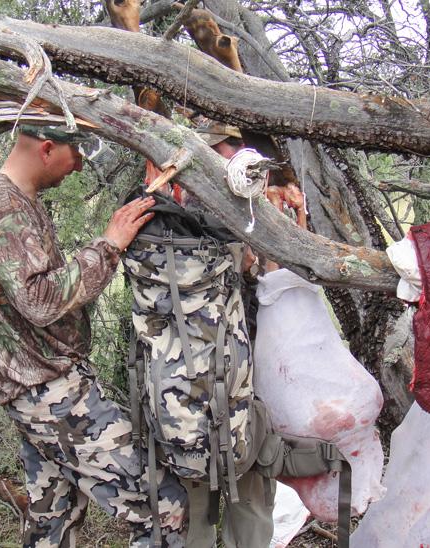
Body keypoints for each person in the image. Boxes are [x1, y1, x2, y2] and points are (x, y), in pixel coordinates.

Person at [0, 124, 188, 547]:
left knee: (55, 518)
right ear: (47, 149)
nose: (81, 165)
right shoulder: (2, 204)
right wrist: (110, 244)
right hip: (49, 392)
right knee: (164, 504)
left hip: (36, 389)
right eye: (77, 153)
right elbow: (40, 299)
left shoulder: (14, 200)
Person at [143, 121, 277, 548]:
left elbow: (269, 273)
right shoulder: (165, 211)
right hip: (198, 385)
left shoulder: (252, 201)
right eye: (226, 147)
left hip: (246, 376)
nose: (234, 157)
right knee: (199, 495)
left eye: (237, 147)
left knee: (247, 493)